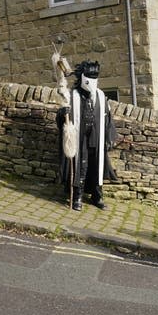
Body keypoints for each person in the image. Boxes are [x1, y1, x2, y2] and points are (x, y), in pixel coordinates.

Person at [56, 60, 116, 211]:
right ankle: (77, 196)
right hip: (80, 136)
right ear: (82, 77)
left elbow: (108, 118)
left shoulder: (101, 96)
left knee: (97, 165)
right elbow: (62, 122)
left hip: (96, 136)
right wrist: (62, 115)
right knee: (80, 165)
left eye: (95, 76)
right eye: (90, 76)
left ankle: (97, 196)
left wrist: (109, 137)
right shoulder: (72, 96)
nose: (93, 80)